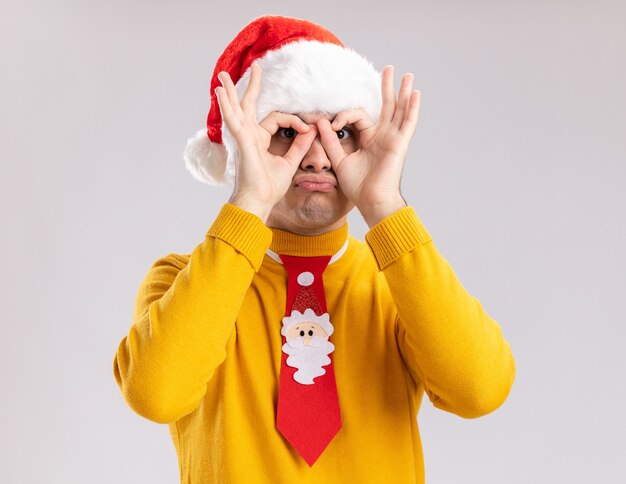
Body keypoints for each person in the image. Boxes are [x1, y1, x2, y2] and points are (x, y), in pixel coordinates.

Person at [113, 15, 515, 483]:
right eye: (288, 130)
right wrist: (250, 200)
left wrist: (385, 207)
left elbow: (479, 390)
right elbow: (155, 394)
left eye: (341, 132)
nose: (319, 155)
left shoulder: (400, 279)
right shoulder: (182, 279)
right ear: (246, 143)